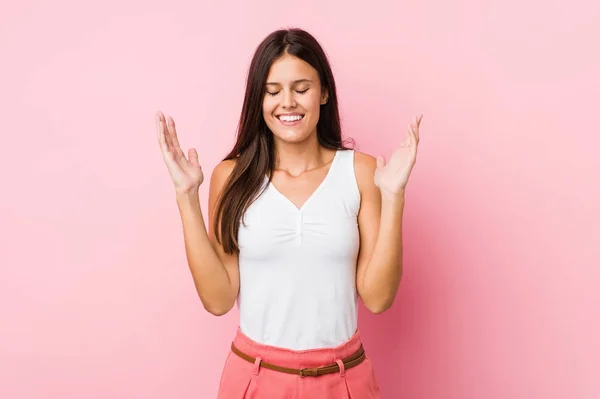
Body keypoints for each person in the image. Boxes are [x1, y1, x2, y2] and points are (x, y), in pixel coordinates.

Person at [155, 27, 422, 399]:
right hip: (256, 378)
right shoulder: (231, 177)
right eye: (273, 90)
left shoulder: (360, 172)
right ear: (258, 98)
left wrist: (393, 196)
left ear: (324, 92)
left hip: (344, 380)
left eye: (301, 88)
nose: (288, 102)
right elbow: (218, 299)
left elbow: (378, 298)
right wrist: (186, 196)